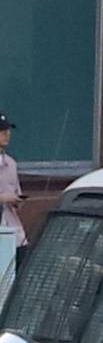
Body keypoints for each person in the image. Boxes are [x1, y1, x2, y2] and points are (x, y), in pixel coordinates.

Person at [0, 114, 28, 281]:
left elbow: (16, 190)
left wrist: (17, 200)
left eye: (7, 130)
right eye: (2, 131)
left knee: (19, 274)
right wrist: (3, 198)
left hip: (14, 230)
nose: (7, 134)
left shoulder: (11, 163)